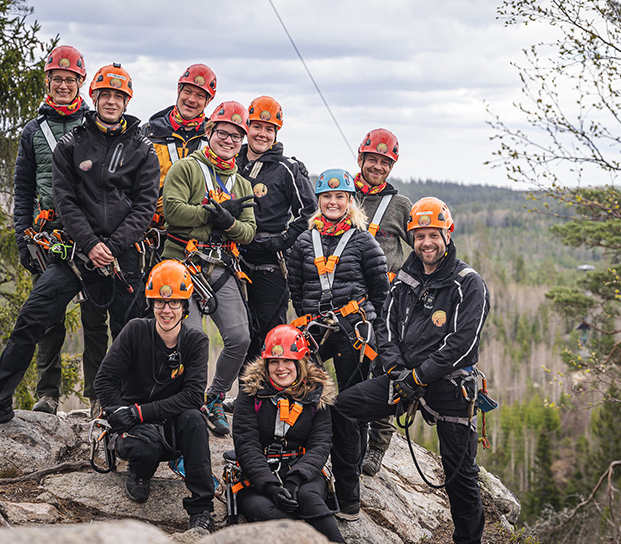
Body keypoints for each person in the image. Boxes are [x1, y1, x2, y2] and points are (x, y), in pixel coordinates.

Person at [0, 63, 160, 433]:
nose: (111, 101)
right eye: (105, 95)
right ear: (93, 98)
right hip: (74, 254)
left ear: (127, 101)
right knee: (32, 319)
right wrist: (92, 244)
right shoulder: (71, 144)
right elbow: (64, 201)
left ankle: (131, 411)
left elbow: (145, 206)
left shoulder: (142, 149)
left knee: (130, 333)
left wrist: (111, 247)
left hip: (122, 256)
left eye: (119, 96)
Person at [329, 197, 490, 542]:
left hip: (448, 385)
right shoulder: (403, 281)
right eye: (419, 236)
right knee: (342, 408)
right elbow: (386, 330)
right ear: (411, 238)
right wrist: (398, 371)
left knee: (460, 474)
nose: (426, 243)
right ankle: (348, 499)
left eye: (434, 234)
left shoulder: (467, 283)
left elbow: (461, 344)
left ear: (447, 235)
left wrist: (418, 377)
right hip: (403, 379)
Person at [13, 44, 108, 418]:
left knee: (94, 319)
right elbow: (23, 188)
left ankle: (98, 394)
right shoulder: (34, 131)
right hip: (48, 234)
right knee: (49, 315)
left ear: (81, 83)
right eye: (58, 79)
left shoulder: (94, 126)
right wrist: (23, 235)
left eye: (71, 80)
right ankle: (47, 395)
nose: (64, 85)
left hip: (91, 232)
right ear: (48, 81)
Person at [94, 260, 216, 533]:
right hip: (135, 427)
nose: (167, 309)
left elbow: (194, 396)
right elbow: (104, 380)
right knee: (143, 449)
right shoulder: (135, 330)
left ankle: (202, 510)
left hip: (171, 425)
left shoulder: (196, 341)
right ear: (151, 303)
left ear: (185, 306)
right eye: (160, 303)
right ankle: (141, 471)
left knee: (195, 419)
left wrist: (140, 412)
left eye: (174, 303)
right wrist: (117, 412)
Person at [161, 100, 256, 436]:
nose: (228, 140)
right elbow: (172, 211)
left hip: (220, 265)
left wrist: (228, 221)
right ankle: (186, 402)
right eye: (223, 133)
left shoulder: (241, 184)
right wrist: (208, 214)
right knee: (193, 337)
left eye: (235, 136)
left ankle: (214, 396)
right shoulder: (187, 168)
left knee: (239, 337)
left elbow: (248, 231)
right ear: (210, 132)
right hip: (182, 264)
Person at [232, 324, 345, 543]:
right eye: (274, 362)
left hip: (302, 471)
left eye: (288, 361)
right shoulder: (251, 393)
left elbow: (321, 444)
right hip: (259, 476)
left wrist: (295, 479)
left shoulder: (316, 395)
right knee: (265, 510)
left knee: (308, 498)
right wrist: (270, 487)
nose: (280, 368)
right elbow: (246, 443)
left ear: (300, 362)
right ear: (266, 363)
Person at [287, 168, 389, 394]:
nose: (333, 202)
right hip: (315, 327)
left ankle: (354, 431)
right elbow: (296, 290)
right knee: (307, 394)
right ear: (319, 200)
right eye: (327, 197)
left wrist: (375, 328)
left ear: (350, 201)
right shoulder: (304, 241)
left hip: (353, 329)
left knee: (353, 398)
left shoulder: (364, 241)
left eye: (339, 196)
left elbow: (380, 291)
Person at [236, 96, 316, 365]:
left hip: (269, 261)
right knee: (240, 334)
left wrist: (284, 240)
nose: (262, 134)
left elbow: (311, 211)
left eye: (269, 129)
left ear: (276, 133)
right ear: (247, 126)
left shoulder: (287, 168)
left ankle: (269, 397)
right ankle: (242, 401)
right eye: (257, 126)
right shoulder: (231, 162)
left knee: (270, 332)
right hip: (233, 258)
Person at [353, 128, 413, 476]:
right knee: (350, 370)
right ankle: (346, 434)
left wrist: (404, 280)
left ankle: (378, 445)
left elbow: (421, 248)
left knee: (384, 369)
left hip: (387, 301)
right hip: (347, 298)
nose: (376, 166)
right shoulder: (344, 196)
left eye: (383, 161)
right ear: (360, 159)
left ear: (391, 165)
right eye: (372, 159)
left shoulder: (400, 205)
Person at [142, 63, 217, 226]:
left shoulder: (214, 140)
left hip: (195, 232)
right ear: (178, 90)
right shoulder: (149, 133)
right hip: (152, 231)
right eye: (188, 91)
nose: (191, 100)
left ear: (209, 100)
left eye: (200, 95)